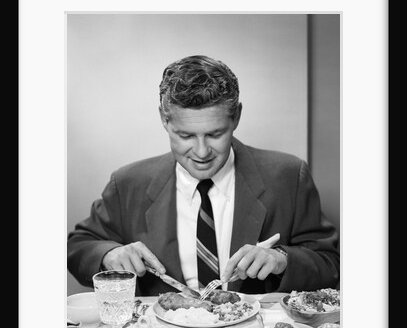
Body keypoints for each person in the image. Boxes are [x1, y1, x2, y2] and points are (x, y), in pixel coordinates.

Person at [67, 55, 340, 296]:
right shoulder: (128, 183)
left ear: (236, 118)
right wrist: (108, 255)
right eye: (185, 135)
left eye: (215, 134)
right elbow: (78, 247)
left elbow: (331, 264)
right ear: (165, 120)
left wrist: (282, 260)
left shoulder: (289, 176)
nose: (201, 152)